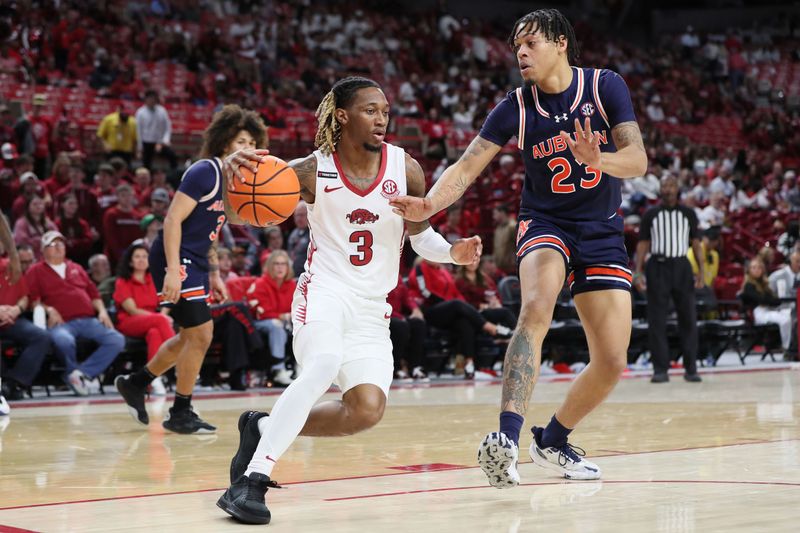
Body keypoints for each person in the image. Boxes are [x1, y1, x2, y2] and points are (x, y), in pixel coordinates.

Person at [390, 9, 648, 486]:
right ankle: (505, 440)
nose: (521, 53)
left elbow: (638, 161)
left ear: (560, 43)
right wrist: (427, 204)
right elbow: (467, 167)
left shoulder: (605, 86)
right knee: (535, 307)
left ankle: (552, 441)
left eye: (530, 43)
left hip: (602, 229)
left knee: (613, 360)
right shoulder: (516, 106)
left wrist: (600, 158)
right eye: (516, 47)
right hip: (546, 222)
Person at [216, 77, 481, 524]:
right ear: (341, 115)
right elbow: (244, 213)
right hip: (324, 292)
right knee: (321, 365)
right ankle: (251, 481)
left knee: (366, 410)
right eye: (370, 110)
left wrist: (452, 253)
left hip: (371, 310)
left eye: (385, 111)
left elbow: (421, 236)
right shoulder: (308, 170)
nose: (382, 119)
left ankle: (262, 426)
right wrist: (230, 174)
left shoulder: (406, 168)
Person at [116, 104, 268, 434]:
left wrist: (213, 272)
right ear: (226, 142)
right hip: (175, 254)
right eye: (241, 141)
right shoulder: (205, 171)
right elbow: (171, 220)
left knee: (190, 336)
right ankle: (180, 411)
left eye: (252, 143)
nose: (248, 149)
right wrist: (172, 270)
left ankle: (136, 383)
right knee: (202, 333)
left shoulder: (237, 182)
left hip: (197, 259)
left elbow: (212, 229)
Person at [25, 231, 125, 396]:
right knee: (64, 341)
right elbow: (32, 300)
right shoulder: (36, 271)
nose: (58, 247)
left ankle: (80, 374)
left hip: (88, 320)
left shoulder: (76, 268)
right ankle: (76, 377)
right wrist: (48, 309)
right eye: (53, 244)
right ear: (43, 250)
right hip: (62, 323)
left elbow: (94, 295)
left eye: (61, 244)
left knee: (116, 339)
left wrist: (102, 312)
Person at [635, 176, 704, 384]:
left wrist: (701, 270)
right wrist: (638, 271)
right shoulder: (650, 214)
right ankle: (660, 369)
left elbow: (696, 243)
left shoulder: (688, 213)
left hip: (682, 266)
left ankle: (691, 368)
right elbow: (643, 244)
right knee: (656, 320)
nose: (668, 189)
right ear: (660, 189)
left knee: (688, 318)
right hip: (658, 266)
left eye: (672, 185)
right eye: (665, 185)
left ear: (678, 189)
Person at [409, 258, 512, 378]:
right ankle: (491, 328)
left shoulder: (443, 271)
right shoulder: (420, 268)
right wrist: (449, 304)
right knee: (456, 304)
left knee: (464, 321)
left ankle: (469, 365)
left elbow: (455, 293)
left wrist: (465, 308)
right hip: (429, 310)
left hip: (449, 310)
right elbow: (425, 292)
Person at [112, 242, 175, 395]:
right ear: (130, 261)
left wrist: (164, 315)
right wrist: (161, 318)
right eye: (137, 257)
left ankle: (153, 379)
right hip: (129, 321)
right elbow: (132, 310)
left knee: (154, 333)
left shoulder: (154, 278)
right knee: (159, 322)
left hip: (153, 322)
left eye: (144, 257)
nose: (141, 260)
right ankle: (180, 362)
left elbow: (168, 300)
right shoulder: (123, 281)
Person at [249, 250, 296, 386]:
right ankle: (278, 369)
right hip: (260, 323)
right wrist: (283, 316)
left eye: (283, 264)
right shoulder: (260, 283)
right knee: (276, 326)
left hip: (286, 322)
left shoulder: (292, 285)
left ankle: (302, 368)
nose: (280, 267)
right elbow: (260, 312)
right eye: (276, 264)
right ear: (270, 266)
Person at [741, 257, 793, 351]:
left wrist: (771, 300)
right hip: (758, 313)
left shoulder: (764, 284)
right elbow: (761, 300)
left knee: (789, 314)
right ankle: (787, 347)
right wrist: (770, 300)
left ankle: (792, 345)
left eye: (759, 267)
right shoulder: (748, 285)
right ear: (749, 270)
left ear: (762, 269)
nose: (756, 270)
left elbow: (774, 300)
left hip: (769, 310)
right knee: (785, 320)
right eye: (753, 267)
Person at [387, 274, 428, 381]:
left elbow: (407, 296)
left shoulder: (397, 276)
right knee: (401, 325)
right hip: (381, 315)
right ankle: (396, 368)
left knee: (418, 323)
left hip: (397, 316)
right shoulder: (376, 275)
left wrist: (414, 309)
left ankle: (414, 367)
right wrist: (400, 317)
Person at [135, 90, 177, 172]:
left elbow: (167, 127)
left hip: (160, 142)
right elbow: (138, 131)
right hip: (146, 142)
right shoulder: (140, 112)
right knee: (146, 163)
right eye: (150, 98)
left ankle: (174, 175)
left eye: (154, 98)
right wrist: (139, 148)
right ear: (146, 99)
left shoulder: (162, 111)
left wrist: (165, 141)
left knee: (172, 155)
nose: (152, 101)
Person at [13, 195, 58, 260]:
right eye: (35, 204)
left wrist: (36, 240)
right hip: (29, 258)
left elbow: (56, 237)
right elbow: (22, 241)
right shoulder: (21, 223)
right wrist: (44, 240)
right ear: (28, 207)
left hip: (48, 257)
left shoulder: (48, 222)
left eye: (40, 204)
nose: (38, 206)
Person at [492, 205, 517, 275]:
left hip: (511, 267)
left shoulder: (513, 226)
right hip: (500, 267)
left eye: (495, 214)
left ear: (502, 213)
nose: (493, 217)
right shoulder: (497, 229)